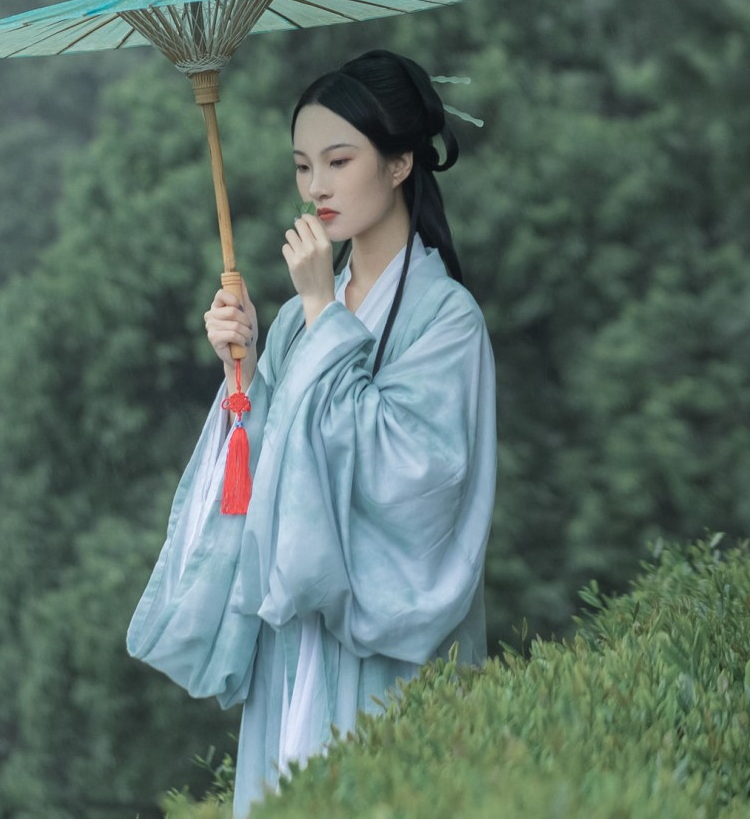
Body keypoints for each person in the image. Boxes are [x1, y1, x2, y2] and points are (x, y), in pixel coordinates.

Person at [125, 48, 497, 815]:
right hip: (296, 649)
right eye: (302, 166)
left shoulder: (445, 318)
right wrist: (248, 370)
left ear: (398, 165)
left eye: (338, 159)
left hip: (387, 650)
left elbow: (412, 478)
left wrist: (326, 313)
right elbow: (271, 479)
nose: (317, 187)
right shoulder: (298, 318)